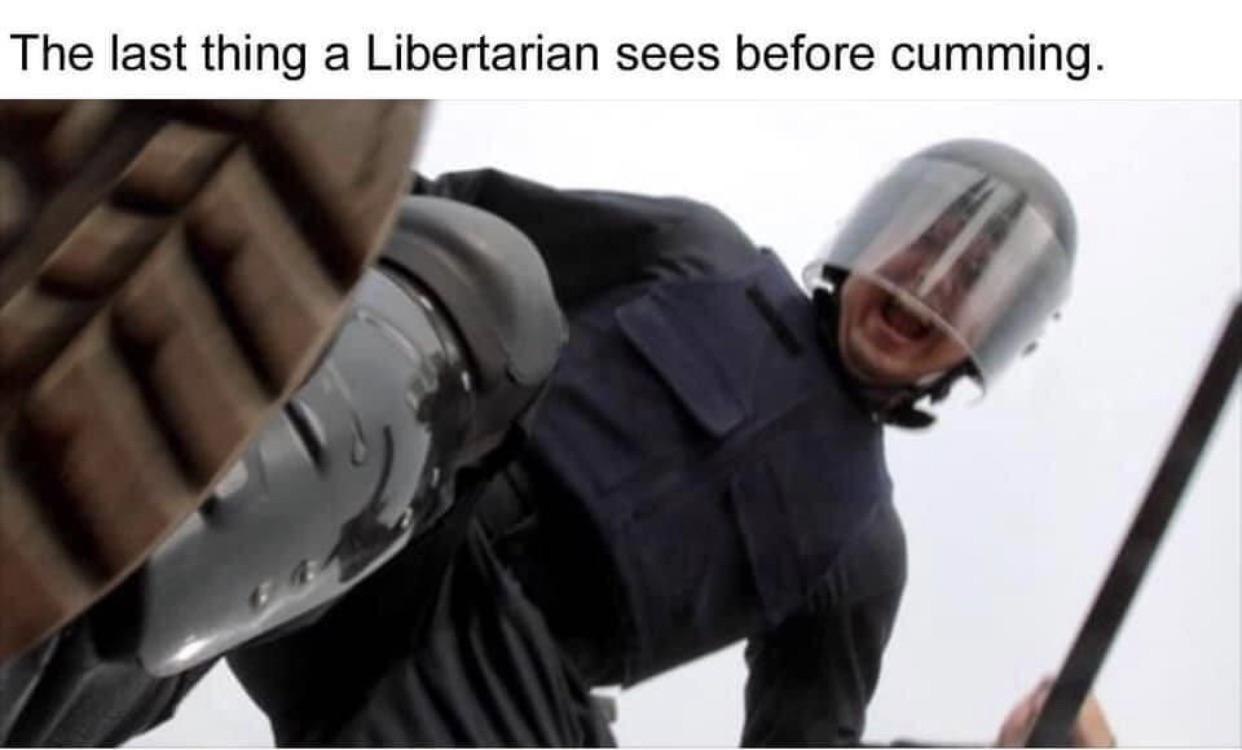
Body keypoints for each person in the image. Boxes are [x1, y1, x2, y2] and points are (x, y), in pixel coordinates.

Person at [0, 113, 1113, 746]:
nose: (935, 281)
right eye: (932, 239)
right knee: (484, 282)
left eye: (978, 281)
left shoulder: (861, 552)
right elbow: (454, 214)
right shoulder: (700, 254)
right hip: (407, 498)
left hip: (504, 683)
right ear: (879, 227)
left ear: (985, 343)